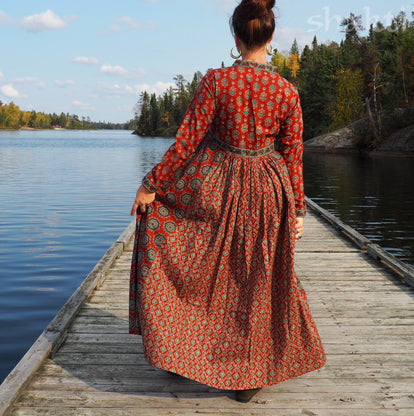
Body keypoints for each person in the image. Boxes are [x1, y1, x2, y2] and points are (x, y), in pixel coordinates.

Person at [129, 0, 325, 403]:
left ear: (235, 37)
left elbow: (186, 142)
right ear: (271, 37)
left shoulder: (217, 81)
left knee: (196, 265)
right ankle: (247, 376)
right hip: (269, 190)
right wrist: (299, 209)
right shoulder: (287, 91)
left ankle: (178, 346)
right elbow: (293, 155)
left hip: (214, 184)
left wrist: (151, 184)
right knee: (255, 279)